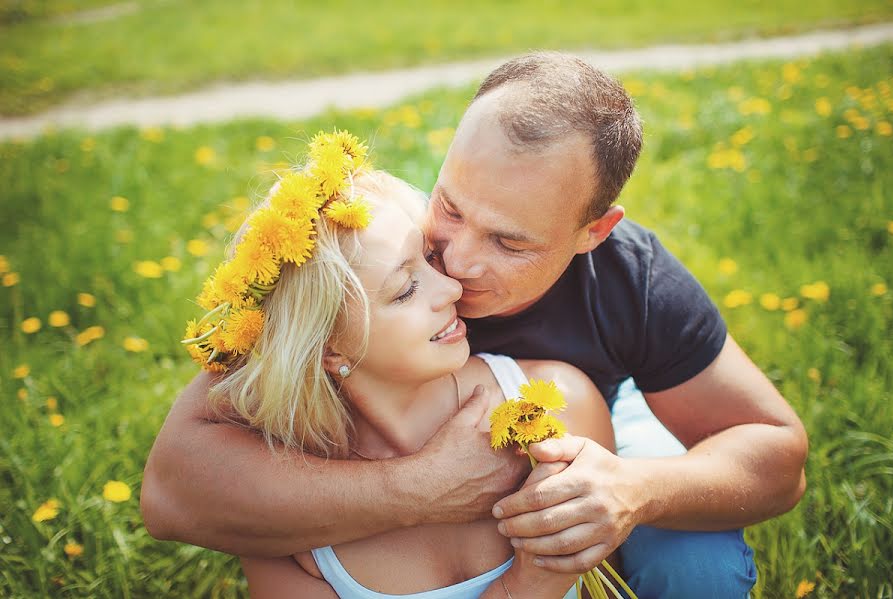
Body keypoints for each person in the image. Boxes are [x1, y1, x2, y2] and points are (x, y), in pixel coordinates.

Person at [142, 53, 808, 597]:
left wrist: (635, 489)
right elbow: (176, 489)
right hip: (407, 456)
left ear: (593, 232)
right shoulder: (372, 255)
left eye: (509, 243)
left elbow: (778, 452)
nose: (454, 264)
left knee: (698, 573)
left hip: (606, 410)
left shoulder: (632, 279)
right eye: (451, 206)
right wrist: (423, 490)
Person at [175, 139, 613, 597]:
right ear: (330, 350)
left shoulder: (560, 404)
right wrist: (534, 581)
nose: (450, 286)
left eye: (429, 256)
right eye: (404, 289)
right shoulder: (284, 511)